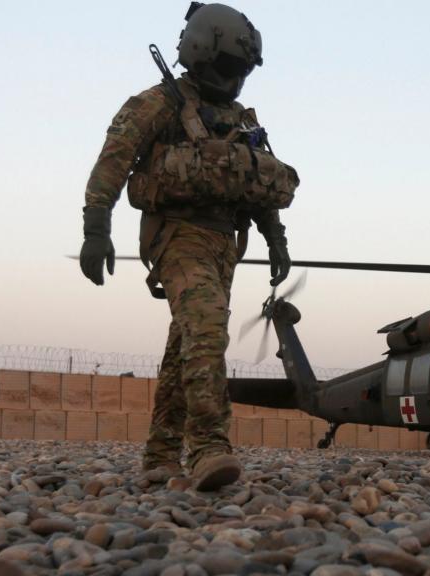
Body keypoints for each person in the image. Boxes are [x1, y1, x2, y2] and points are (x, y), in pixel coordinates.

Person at [78, 3, 298, 491]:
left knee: (186, 346)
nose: (234, 79)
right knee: (205, 333)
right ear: (201, 53)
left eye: (240, 71)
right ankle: (207, 447)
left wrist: (276, 238)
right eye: (228, 67)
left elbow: (254, 179)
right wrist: (97, 227)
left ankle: (160, 455)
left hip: (224, 243)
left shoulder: (239, 119)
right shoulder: (159, 103)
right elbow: (113, 162)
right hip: (177, 236)